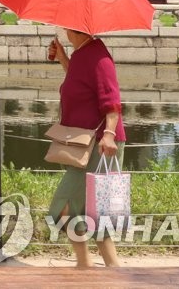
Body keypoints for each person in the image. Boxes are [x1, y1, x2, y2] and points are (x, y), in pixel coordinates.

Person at [47, 27, 125, 268]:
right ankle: (104, 266)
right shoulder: (82, 54)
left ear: (73, 29)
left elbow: (111, 100)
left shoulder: (98, 56)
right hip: (81, 142)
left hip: (100, 143)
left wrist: (110, 134)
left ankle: (88, 264)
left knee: (63, 207)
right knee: (92, 210)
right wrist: (63, 59)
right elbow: (81, 83)